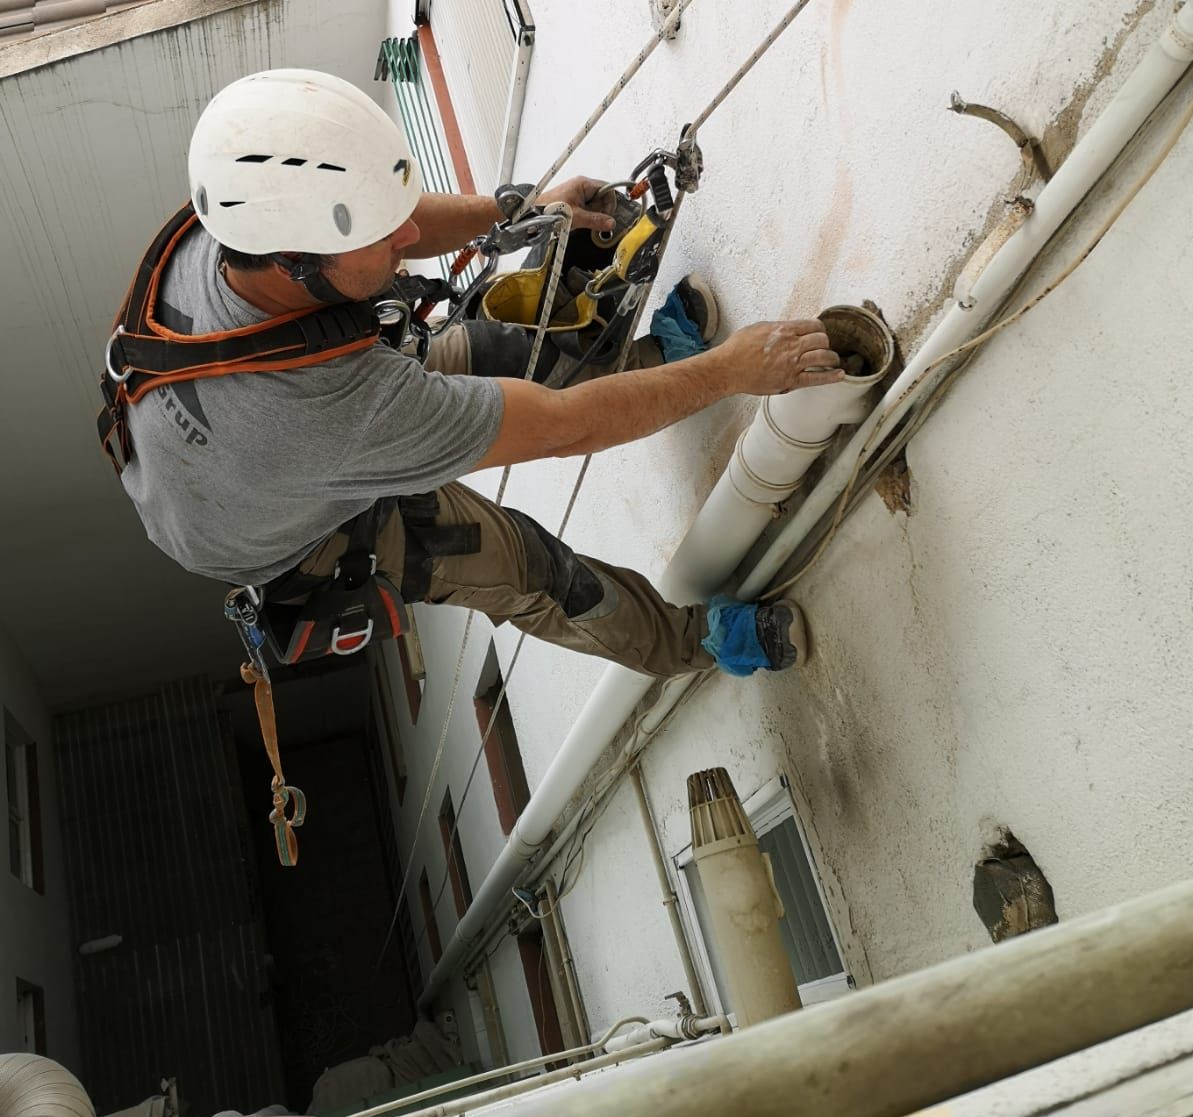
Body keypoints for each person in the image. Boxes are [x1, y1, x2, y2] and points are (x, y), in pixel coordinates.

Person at [107, 68, 844, 680]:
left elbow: (393, 219)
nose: (405, 238)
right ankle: (699, 644)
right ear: (295, 264)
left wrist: (516, 206)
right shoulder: (334, 410)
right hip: (297, 529)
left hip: (250, 457)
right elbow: (565, 430)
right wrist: (733, 370)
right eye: (380, 235)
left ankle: (656, 363)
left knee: (499, 349)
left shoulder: (234, 220)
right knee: (536, 573)